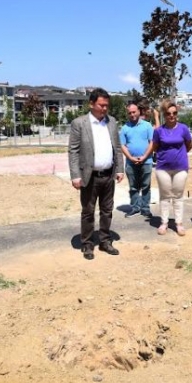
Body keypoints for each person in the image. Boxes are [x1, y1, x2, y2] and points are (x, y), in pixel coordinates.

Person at [68, 88, 124, 260]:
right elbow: (73, 151)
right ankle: (87, 244)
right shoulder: (79, 124)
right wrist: (75, 175)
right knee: (88, 211)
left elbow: (117, 148)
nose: (105, 108)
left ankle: (105, 241)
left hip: (108, 175)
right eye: (101, 105)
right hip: (89, 176)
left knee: (107, 210)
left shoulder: (112, 122)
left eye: (107, 105)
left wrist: (120, 169)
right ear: (91, 104)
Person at [152, 99, 192, 236]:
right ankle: (164, 223)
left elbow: (189, 145)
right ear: (164, 114)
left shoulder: (183, 128)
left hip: (181, 168)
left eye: (174, 113)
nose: (172, 116)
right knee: (164, 196)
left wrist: (178, 156)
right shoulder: (158, 131)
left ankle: (179, 223)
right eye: (169, 113)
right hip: (163, 168)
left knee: (178, 196)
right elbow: (155, 147)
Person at [120, 103, 154, 218]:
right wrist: (130, 157)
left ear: (139, 112)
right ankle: (135, 208)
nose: (132, 115)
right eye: (129, 113)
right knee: (133, 187)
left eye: (134, 112)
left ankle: (145, 208)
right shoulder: (124, 128)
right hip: (131, 162)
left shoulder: (147, 126)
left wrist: (144, 156)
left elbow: (152, 143)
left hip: (147, 161)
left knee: (146, 186)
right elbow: (122, 145)